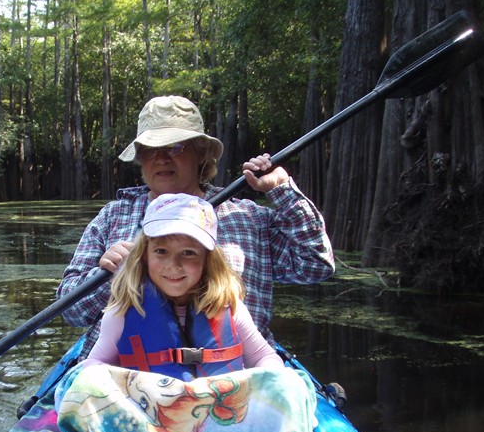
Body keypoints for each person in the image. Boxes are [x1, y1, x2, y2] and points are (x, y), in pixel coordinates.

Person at [57, 94, 334, 358]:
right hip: (126, 377)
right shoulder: (112, 216)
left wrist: (281, 189)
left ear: (202, 154)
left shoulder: (249, 216)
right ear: (141, 158)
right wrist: (107, 277)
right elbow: (70, 311)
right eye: (151, 150)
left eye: (176, 147)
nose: (162, 158)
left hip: (233, 376)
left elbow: (314, 264)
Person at [80, 193, 284, 379]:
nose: (173, 265)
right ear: (144, 256)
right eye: (161, 251)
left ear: (208, 259)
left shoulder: (229, 306)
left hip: (219, 412)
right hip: (147, 413)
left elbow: (263, 356)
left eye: (188, 253)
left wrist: (271, 377)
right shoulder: (122, 311)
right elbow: (95, 362)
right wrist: (94, 376)